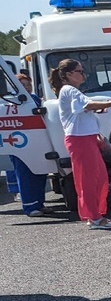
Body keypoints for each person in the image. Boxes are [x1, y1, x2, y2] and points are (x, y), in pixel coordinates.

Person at [49, 59, 111, 229]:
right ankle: (94, 218)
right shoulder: (69, 90)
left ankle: (96, 215)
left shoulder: (71, 91)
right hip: (79, 140)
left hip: (86, 139)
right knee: (88, 180)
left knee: (99, 178)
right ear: (69, 75)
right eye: (80, 71)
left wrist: (97, 130)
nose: (83, 74)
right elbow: (87, 105)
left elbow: (85, 110)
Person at [10, 71, 50, 216]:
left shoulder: (35, 99)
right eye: (22, 85)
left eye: (28, 84)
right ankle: (29, 207)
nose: (27, 87)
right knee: (25, 174)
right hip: (21, 145)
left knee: (40, 173)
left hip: (38, 143)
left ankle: (39, 204)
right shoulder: (12, 101)